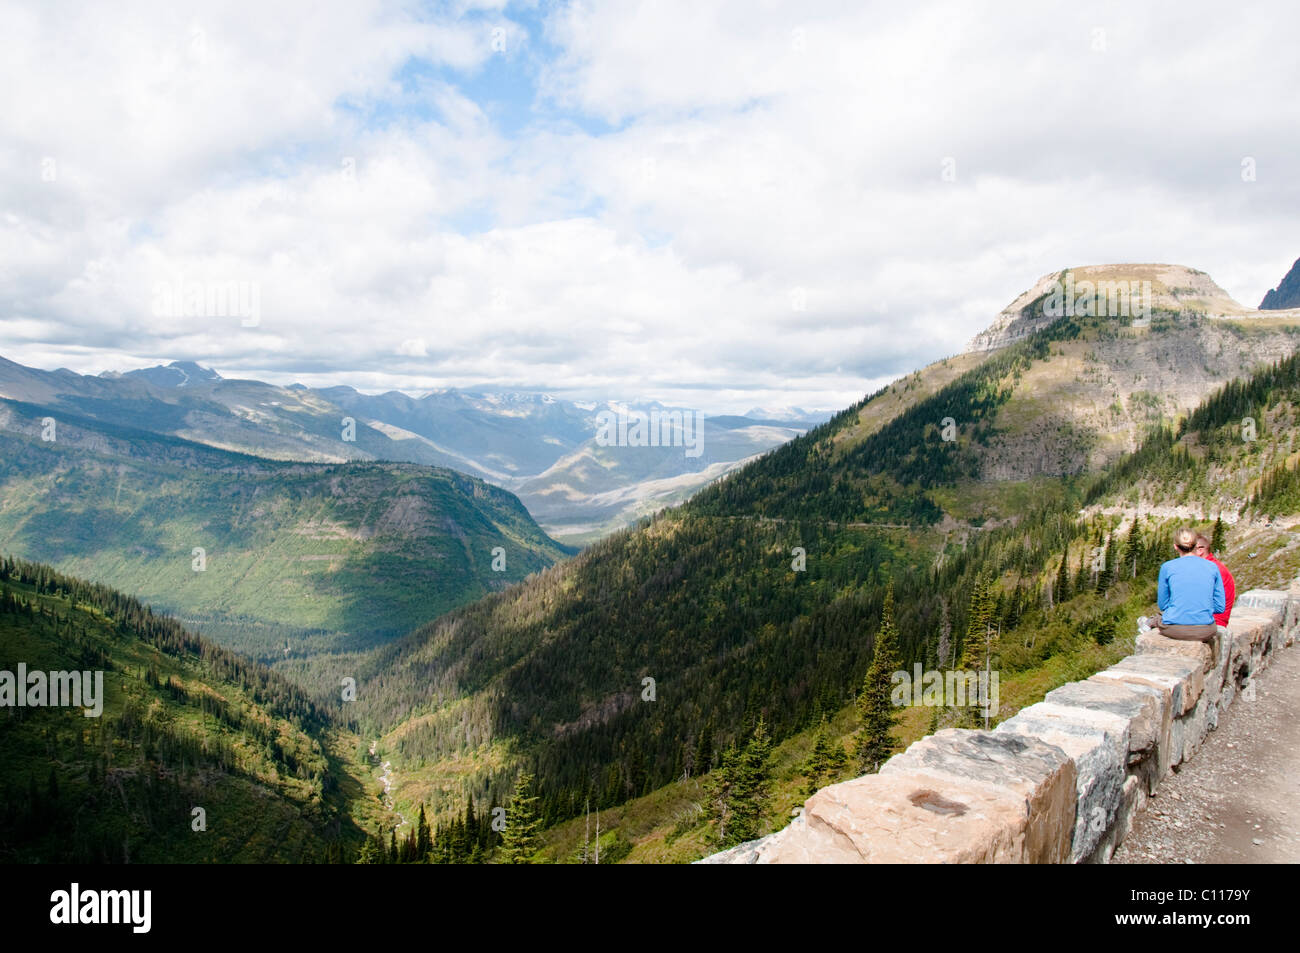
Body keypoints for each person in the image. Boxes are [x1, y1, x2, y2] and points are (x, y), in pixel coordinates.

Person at [1137, 527, 1224, 646]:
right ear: (1195, 545)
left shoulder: (1167, 567)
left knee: (1160, 617)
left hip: (1175, 629)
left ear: (1176, 546)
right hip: (1206, 630)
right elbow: (1220, 607)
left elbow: (1163, 605)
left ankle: (1150, 622)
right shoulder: (1213, 567)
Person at [1194, 533, 1235, 627]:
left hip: (1212, 622)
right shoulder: (1213, 566)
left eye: (1188, 550)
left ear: (1200, 550)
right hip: (1211, 619)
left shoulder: (1209, 570)